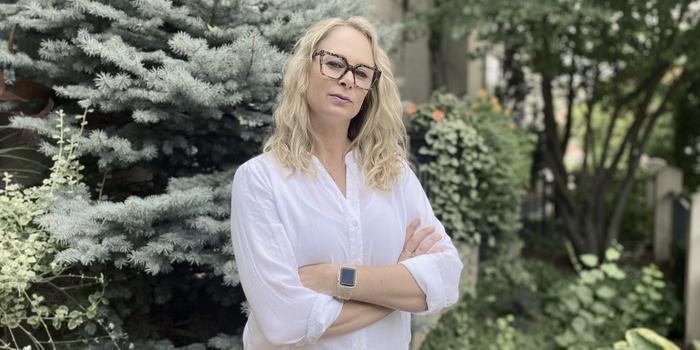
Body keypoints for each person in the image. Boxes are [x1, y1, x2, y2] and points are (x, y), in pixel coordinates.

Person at [230, 16, 463, 350]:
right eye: (334, 64)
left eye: (362, 72)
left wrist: (337, 278)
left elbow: (446, 277)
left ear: (371, 88)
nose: (348, 80)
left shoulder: (393, 175)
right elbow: (285, 321)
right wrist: (397, 289)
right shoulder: (261, 180)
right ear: (305, 69)